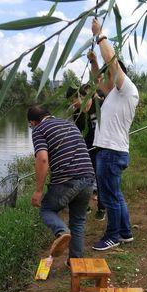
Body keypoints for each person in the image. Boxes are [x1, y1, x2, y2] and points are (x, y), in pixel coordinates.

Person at [87, 18, 139, 251]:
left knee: (109, 198)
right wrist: (94, 61)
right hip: (110, 151)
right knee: (115, 196)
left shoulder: (126, 88)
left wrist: (100, 35)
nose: (107, 79)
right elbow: (98, 82)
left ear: (119, 74)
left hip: (111, 152)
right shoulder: (114, 94)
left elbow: (112, 61)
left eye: (111, 74)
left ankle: (113, 235)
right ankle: (125, 233)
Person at [27, 105, 95, 260]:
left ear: (33, 122)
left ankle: (61, 232)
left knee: (46, 210)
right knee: (78, 221)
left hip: (66, 180)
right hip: (88, 177)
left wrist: (38, 191)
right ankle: (75, 262)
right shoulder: (70, 124)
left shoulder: (39, 130)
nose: (31, 128)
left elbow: (42, 159)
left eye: (30, 125)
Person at [66, 84, 106, 220]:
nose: (72, 104)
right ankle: (85, 205)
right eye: (70, 102)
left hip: (102, 146)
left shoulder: (100, 104)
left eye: (73, 100)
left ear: (82, 96)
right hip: (88, 147)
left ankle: (102, 207)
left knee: (100, 177)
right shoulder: (77, 113)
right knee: (85, 176)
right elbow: (79, 133)